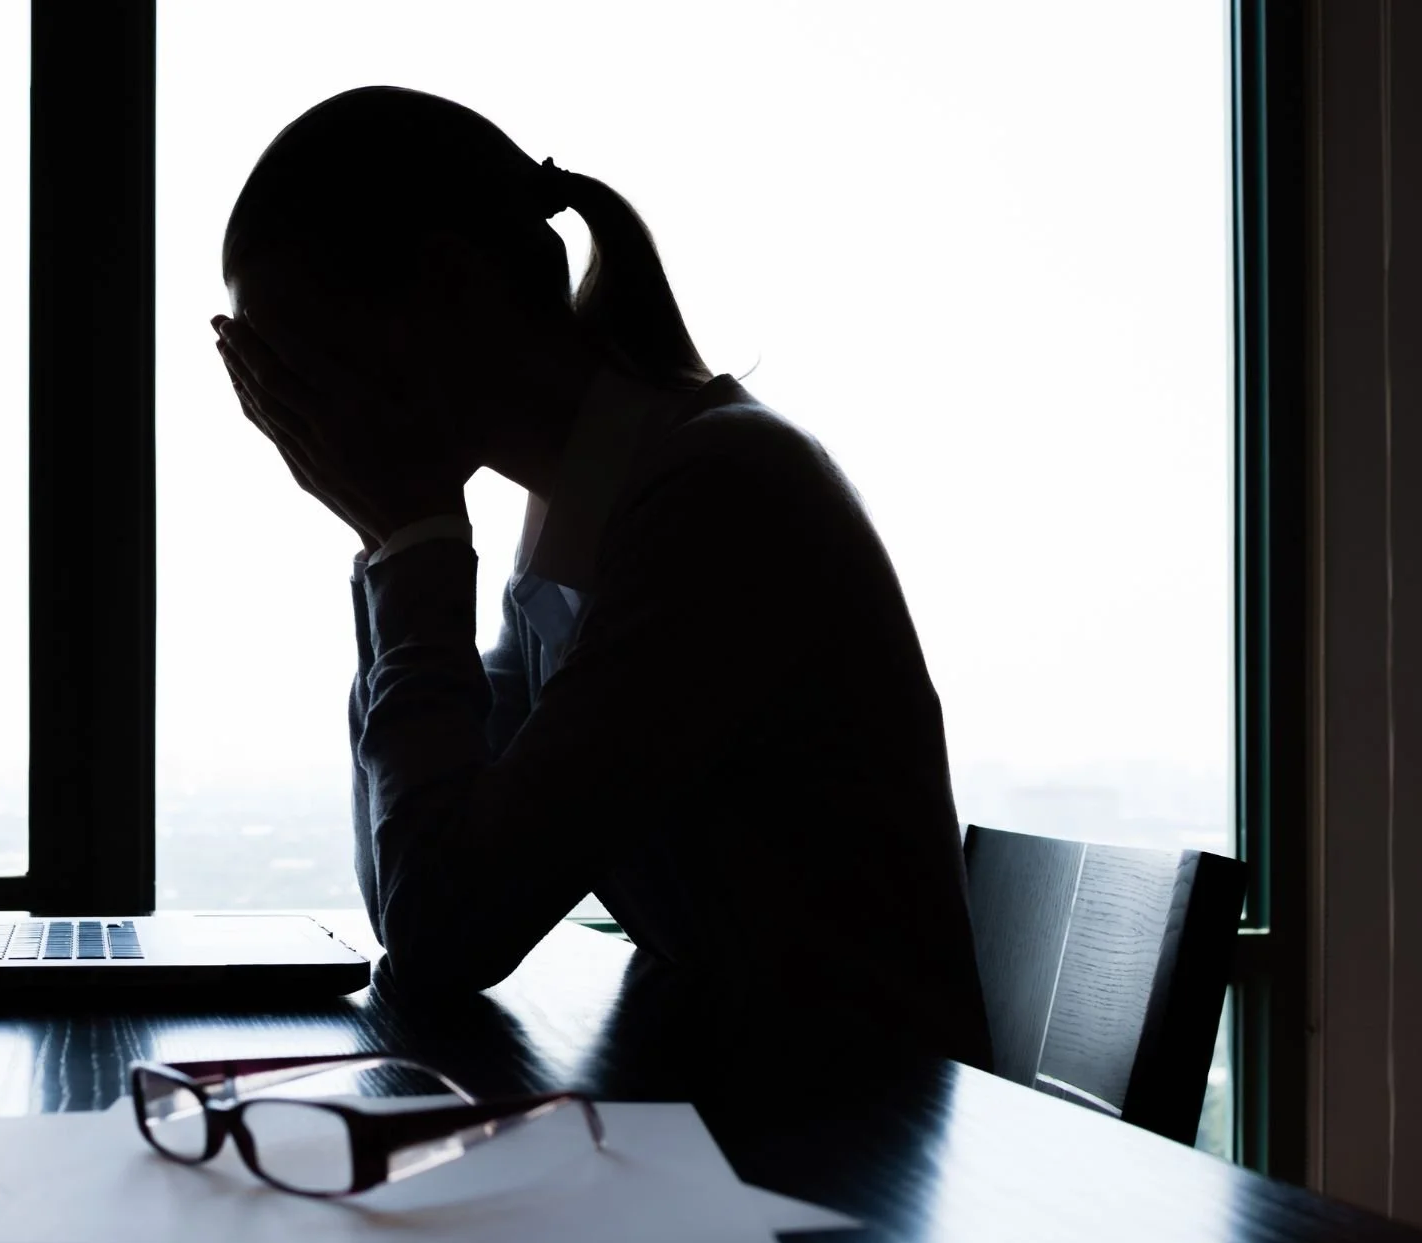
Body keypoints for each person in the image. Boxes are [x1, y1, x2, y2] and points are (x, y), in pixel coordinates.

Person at [213, 86, 990, 1068]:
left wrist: (410, 543)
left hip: (852, 1139)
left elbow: (448, 929)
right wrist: (392, 547)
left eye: (302, 367)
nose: (299, 420)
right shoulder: (587, 499)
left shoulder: (716, 494)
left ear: (448, 286)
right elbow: (415, 889)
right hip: (758, 1101)